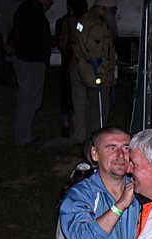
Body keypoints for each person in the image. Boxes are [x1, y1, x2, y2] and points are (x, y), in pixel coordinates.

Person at [70, 0, 118, 146]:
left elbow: (76, 39)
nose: (114, 13)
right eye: (112, 10)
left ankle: (80, 137)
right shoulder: (97, 24)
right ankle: (94, 143)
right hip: (94, 72)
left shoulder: (83, 19)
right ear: (104, 8)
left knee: (81, 105)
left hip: (81, 67)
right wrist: (105, 71)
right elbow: (96, 52)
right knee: (97, 110)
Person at [7, 0, 53, 147]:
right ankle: (22, 138)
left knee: (30, 99)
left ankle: (24, 135)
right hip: (30, 60)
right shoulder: (30, 11)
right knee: (28, 99)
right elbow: (23, 34)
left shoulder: (30, 9)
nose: (52, 2)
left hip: (30, 59)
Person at [54, 0, 87, 139]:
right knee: (77, 92)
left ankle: (66, 123)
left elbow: (59, 41)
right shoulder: (80, 22)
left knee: (66, 91)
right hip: (75, 58)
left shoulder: (63, 21)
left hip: (67, 57)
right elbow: (80, 38)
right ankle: (74, 123)